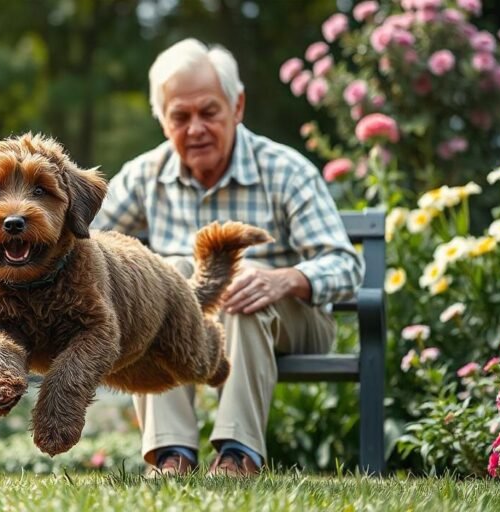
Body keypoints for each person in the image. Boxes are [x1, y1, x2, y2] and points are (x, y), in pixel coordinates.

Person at [90, 38, 363, 477]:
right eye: (180, 116)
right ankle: (170, 456)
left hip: (294, 321)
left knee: (241, 277)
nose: (195, 128)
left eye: (209, 112)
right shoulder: (145, 175)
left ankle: (238, 456)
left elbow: (345, 264)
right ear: (163, 122)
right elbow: (84, 241)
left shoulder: (285, 170)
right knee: (165, 279)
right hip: (189, 322)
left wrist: (285, 278)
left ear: (237, 107)